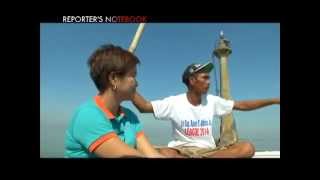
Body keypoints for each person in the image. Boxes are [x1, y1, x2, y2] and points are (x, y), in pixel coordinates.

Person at [131, 62, 280, 158]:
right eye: (204, 78)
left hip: (209, 153)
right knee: (164, 153)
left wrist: (273, 100)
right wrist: (129, 84)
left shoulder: (212, 101)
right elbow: (143, 106)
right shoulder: (174, 102)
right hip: (182, 150)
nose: (208, 82)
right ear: (192, 80)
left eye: (209, 78)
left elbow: (242, 105)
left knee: (247, 148)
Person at [64, 44, 165, 158]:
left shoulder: (130, 117)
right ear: (114, 79)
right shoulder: (88, 115)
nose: (137, 83)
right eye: (133, 75)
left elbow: (151, 154)